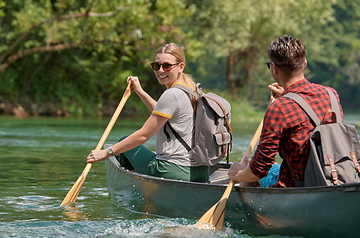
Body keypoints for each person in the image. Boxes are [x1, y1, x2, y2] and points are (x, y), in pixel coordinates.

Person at [228, 35, 343, 188]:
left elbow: (259, 169)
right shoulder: (331, 94)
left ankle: (254, 211)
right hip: (333, 176)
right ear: (305, 64)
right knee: (273, 167)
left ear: (274, 68)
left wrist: (239, 174)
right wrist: (287, 97)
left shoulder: (279, 108)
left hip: (297, 186)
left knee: (247, 175)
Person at [86, 43, 210, 182]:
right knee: (126, 146)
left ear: (180, 66)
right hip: (201, 173)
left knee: (123, 144)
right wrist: (139, 91)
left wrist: (106, 152)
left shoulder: (172, 94)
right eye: (156, 66)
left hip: (172, 170)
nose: (160, 70)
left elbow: (143, 135)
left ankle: (139, 187)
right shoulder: (192, 91)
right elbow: (162, 112)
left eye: (167, 66)